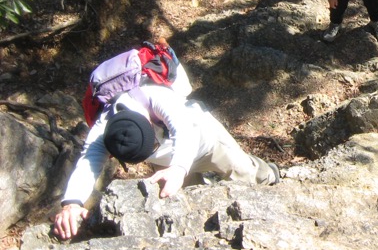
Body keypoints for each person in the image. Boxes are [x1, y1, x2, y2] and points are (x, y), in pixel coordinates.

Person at [53, 69, 279, 240]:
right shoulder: (103, 129)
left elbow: (184, 129)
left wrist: (179, 168)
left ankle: (270, 175)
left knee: (246, 172)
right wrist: (71, 203)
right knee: (193, 203)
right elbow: (88, 162)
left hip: (207, 142)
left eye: (149, 148)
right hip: (168, 164)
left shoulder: (155, 97)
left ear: (150, 123)